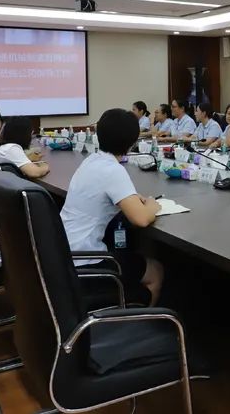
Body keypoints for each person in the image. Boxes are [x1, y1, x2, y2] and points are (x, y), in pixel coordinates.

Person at [59, 108, 164, 306]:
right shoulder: (113, 170)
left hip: (62, 254)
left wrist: (133, 199)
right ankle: (141, 323)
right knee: (155, 271)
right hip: (87, 262)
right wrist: (152, 206)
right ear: (132, 142)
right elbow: (141, 219)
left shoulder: (91, 161)